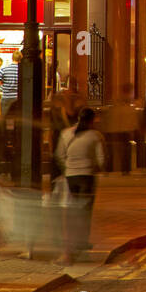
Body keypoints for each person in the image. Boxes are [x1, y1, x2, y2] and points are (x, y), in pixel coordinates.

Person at [55, 107, 106, 265]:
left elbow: (60, 155)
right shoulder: (95, 136)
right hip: (87, 176)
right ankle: (81, 241)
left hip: (71, 176)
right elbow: (101, 158)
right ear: (92, 120)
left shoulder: (65, 133)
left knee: (73, 210)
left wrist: (68, 167)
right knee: (85, 211)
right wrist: (96, 167)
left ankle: (72, 242)